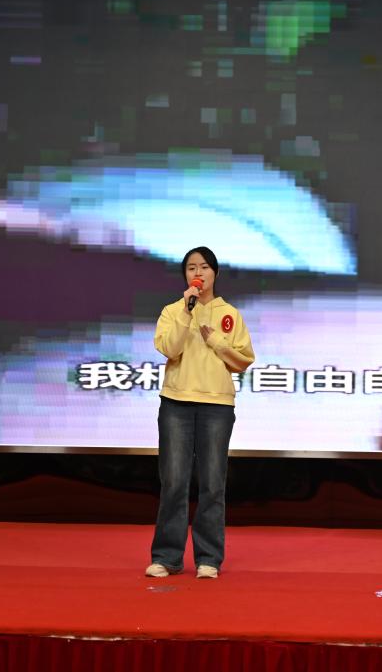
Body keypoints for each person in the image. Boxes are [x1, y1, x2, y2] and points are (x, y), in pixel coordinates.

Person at [145, 246, 255, 579]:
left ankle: (209, 558)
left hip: (217, 405)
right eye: (191, 267)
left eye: (204, 267)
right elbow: (169, 348)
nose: (198, 273)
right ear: (185, 275)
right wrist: (186, 311)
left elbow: (244, 360)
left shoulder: (230, 314)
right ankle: (167, 557)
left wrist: (217, 342)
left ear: (215, 273)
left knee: (212, 483)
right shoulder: (173, 311)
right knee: (174, 481)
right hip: (176, 402)